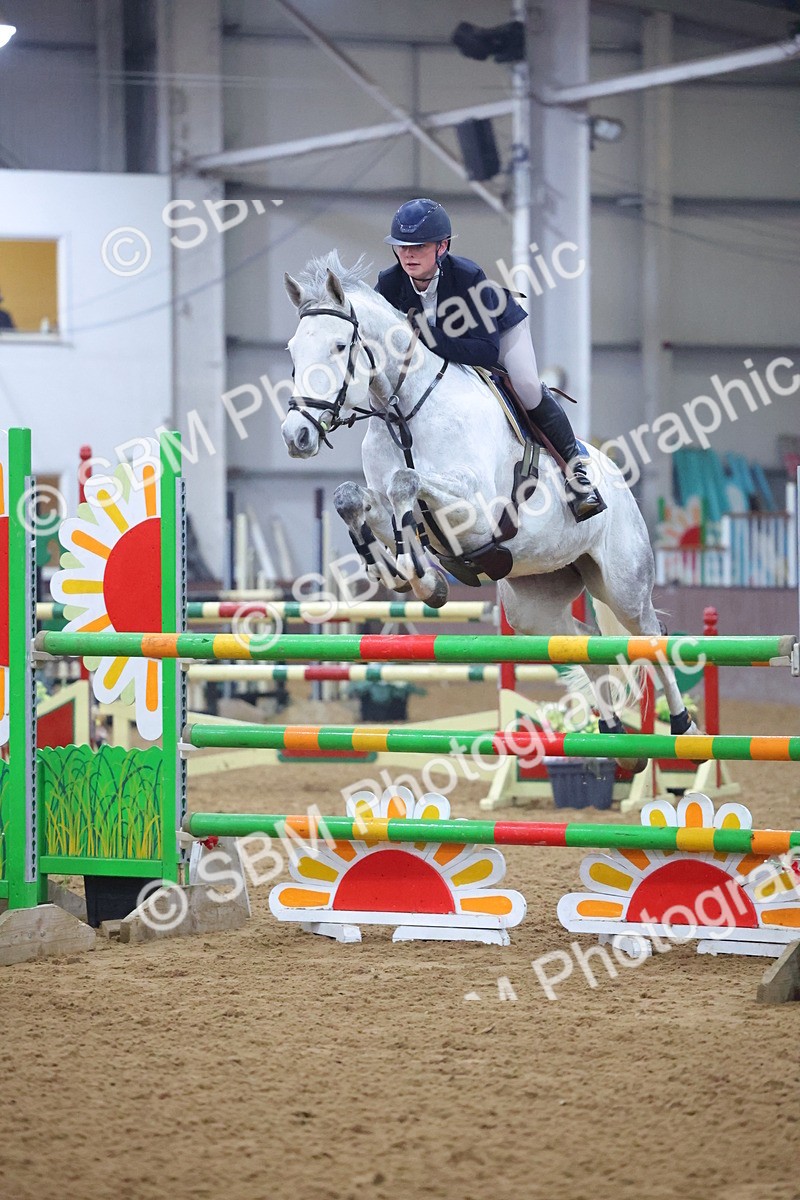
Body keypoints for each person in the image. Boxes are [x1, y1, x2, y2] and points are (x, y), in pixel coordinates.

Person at [375, 197, 603, 520]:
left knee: (526, 386)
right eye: (402, 246)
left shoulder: (468, 277)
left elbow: (484, 350)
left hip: (498, 331)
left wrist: (431, 338)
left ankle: (577, 476)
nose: (408, 254)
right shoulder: (388, 284)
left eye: (419, 246)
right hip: (444, 348)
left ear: (442, 247)